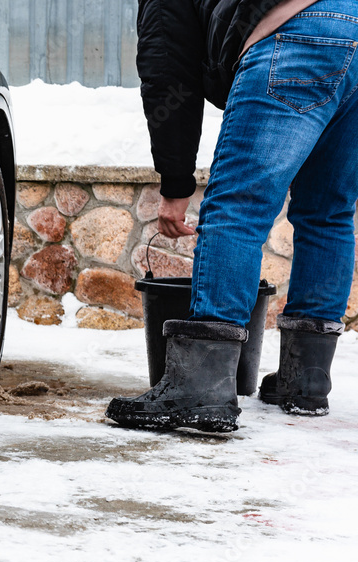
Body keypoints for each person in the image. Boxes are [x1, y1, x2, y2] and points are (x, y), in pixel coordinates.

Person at [107, 0, 358, 432]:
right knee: (328, 211)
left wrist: (175, 185)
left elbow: (169, 75)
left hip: (295, 31)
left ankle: (200, 387)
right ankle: (306, 381)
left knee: (238, 204)